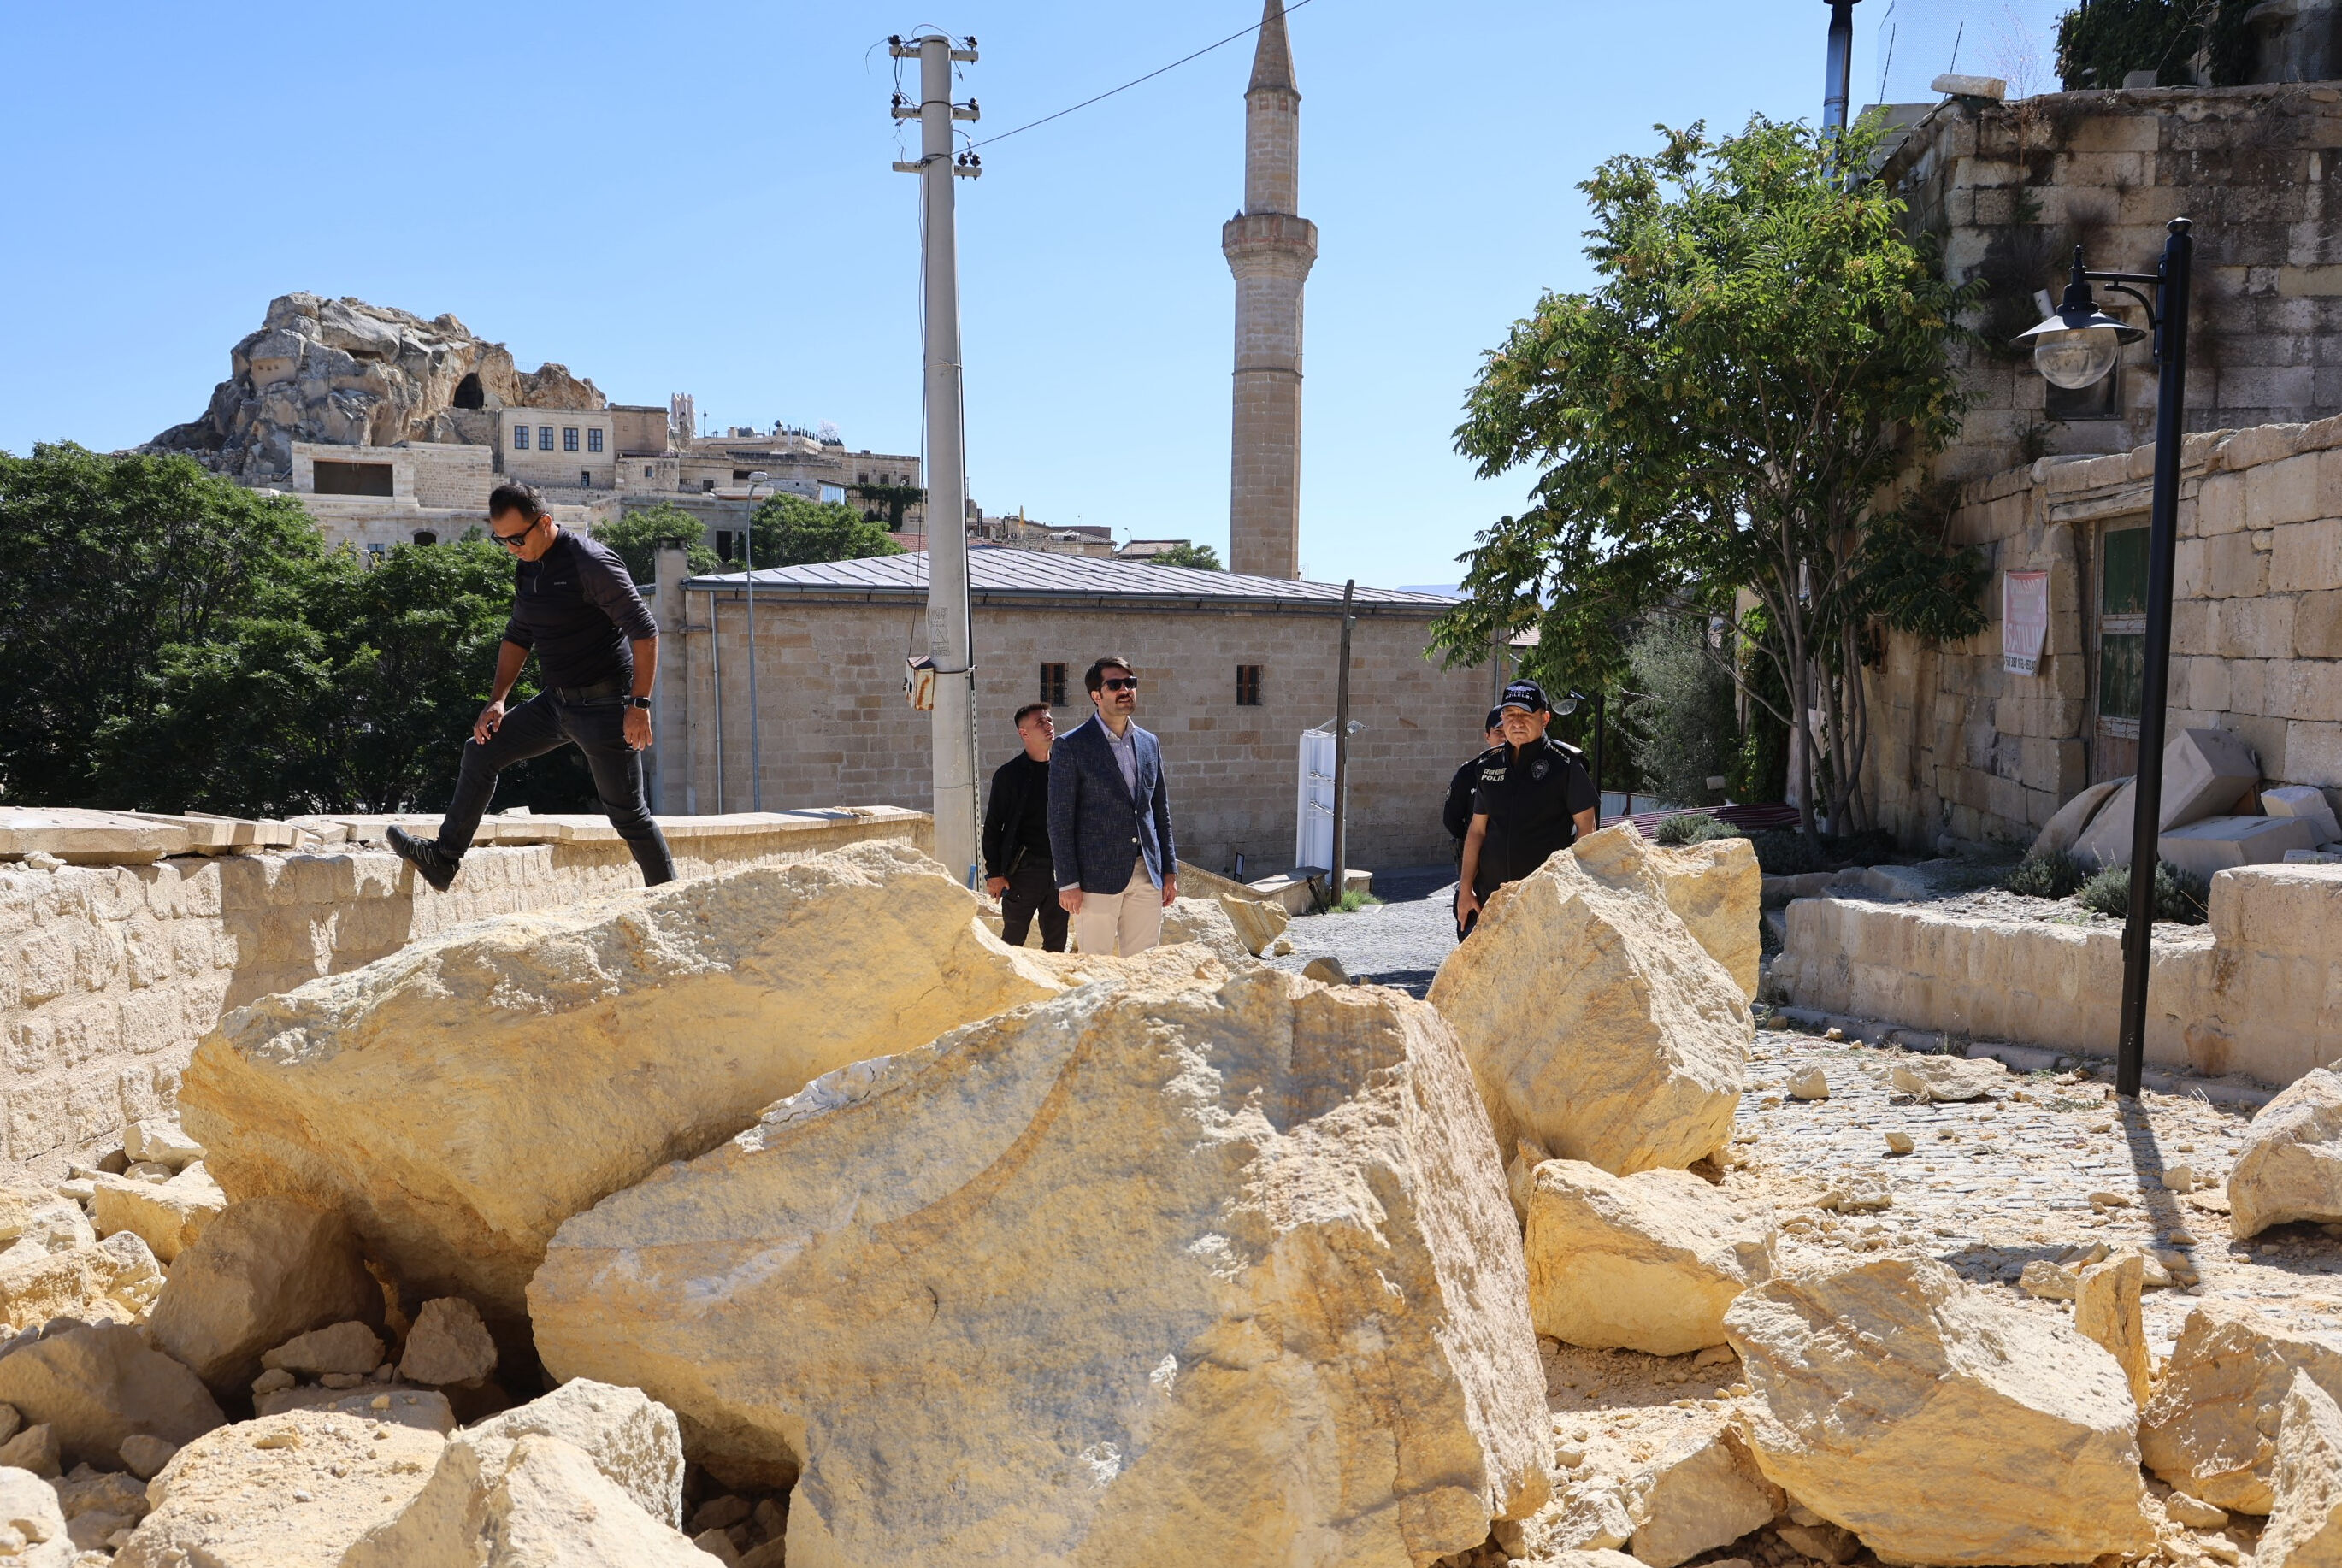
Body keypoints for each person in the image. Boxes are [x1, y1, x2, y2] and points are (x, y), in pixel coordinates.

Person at [386, 482, 675, 893]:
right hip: (555, 703)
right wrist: (497, 700)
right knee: (480, 751)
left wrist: (639, 705)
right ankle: (443, 860)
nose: (511, 548)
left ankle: (670, 899)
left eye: (517, 538)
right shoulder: (528, 565)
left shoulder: (590, 563)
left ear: (543, 522)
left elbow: (645, 631)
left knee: (628, 814)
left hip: (605, 706)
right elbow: (519, 634)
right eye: (501, 540)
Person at [1048, 656, 1178, 958]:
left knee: (1144, 965)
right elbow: (1059, 819)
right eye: (1116, 684)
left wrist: (1169, 870)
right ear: (1097, 695)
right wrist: (1067, 881)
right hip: (1095, 878)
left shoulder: (1149, 743)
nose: (1126, 690)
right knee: (1095, 967)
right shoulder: (1072, 746)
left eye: (1130, 683)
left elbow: (1160, 811)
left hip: (1146, 873)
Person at [1455, 679, 1598, 937]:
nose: (1517, 722)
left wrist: (1571, 886)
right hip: (1491, 900)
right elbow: (1477, 831)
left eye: (1525, 714)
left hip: (1544, 901)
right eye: (1510, 714)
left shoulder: (1564, 765)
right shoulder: (1487, 766)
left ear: (1544, 719)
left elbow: (1587, 829)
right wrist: (1465, 889)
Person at [982, 703, 1067, 952]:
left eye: (1049, 720)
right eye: (1040, 722)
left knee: (1057, 944)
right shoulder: (1009, 775)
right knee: (1012, 942)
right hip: (1022, 873)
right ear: (1024, 733)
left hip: (1061, 872)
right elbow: (994, 826)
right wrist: (994, 874)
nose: (1048, 726)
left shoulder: (1065, 771)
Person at [1443, 705, 1510, 851]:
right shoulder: (1468, 773)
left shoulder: (1522, 770)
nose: (1504, 737)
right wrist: (1472, 843)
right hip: (1478, 853)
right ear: (1487, 736)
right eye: (1498, 732)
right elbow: (1451, 819)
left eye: (1508, 732)